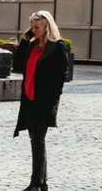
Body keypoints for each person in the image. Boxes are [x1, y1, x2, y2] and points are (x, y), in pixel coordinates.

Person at [12, 11, 72, 191]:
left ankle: (35, 183)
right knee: (36, 140)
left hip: (43, 102)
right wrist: (24, 39)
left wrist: (51, 102)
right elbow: (17, 65)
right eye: (32, 27)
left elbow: (62, 77)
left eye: (37, 27)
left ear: (47, 26)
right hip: (29, 100)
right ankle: (41, 182)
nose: (34, 30)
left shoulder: (57, 48)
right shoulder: (31, 46)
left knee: (37, 140)